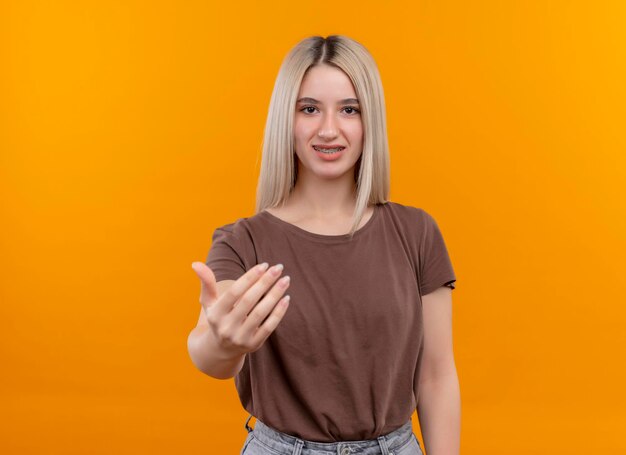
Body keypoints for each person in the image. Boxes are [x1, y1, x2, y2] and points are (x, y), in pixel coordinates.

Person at [188, 35, 460, 455]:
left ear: (370, 121)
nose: (329, 129)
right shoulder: (242, 241)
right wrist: (222, 344)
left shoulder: (417, 233)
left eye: (349, 110)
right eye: (309, 108)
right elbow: (209, 349)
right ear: (286, 118)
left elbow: (436, 377)